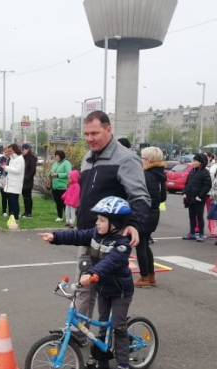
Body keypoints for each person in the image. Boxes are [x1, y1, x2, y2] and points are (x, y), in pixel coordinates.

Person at [37, 196, 135, 369]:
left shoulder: (122, 244)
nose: (97, 223)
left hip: (120, 291)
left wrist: (91, 273)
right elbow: (77, 236)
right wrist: (55, 237)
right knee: (103, 327)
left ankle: (124, 366)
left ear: (114, 224)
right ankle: (103, 360)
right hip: (103, 289)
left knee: (118, 327)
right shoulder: (95, 234)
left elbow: (110, 262)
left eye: (102, 220)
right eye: (97, 219)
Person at [74, 110, 150, 349]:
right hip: (88, 234)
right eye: (86, 134)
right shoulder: (88, 158)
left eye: (94, 133)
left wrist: (133, 225)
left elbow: (140, 197)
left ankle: (113, 339)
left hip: (112, 240)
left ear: (109, 130)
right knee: (84, 285)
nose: (89, 138)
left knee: (111, 291)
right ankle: (79, 334)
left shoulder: (125, 158)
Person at [135, 146, 167, 288]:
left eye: (142, 157)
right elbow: (163, 197)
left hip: (144, 212)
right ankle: (151, 275)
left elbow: (140, 195)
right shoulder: (160, 175)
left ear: (148, 160)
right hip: (154, 212)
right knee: (145, 244)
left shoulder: (146, 175)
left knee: (140, 245)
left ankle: (144, 277)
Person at [181, 153, 212, 242]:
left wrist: (200, 196)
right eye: (193, 161)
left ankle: (201, 234)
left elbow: (207, 186)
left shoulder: (205, 172)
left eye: (195, 161)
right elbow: (187, 183)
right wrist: (185, 193)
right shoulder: (192, 171)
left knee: (199, 216)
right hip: (190, 198)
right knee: (191, 216)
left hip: (199, 199)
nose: (193, 162)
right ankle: (192, 232)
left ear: (200, 162)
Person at [1, 143, 24, 221]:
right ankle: (12, 215)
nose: (9, 153)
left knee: (14, 201)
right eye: (8, 151)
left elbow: (17, 170)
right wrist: (6, 167)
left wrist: (6, 167)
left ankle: (16, 217)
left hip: (15, 183)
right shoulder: (12, 158)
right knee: (11, 201)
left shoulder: (20, 159)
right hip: (10, 182)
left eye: (10, 151)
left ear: (15, 150)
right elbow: (11, 168)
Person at [49, 150, 72, 222]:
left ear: (61, 156)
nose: (56, 157)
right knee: (57, 202)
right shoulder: (55, 163)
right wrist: (51, 174)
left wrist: (58, 174)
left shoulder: (66, 163)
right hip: (55, 186)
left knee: (65, 202)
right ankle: (59, 216)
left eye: (57, 156)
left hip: (62, 186)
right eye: (55, 156)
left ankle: (69, 217)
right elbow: (50, 171)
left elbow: (69, 173)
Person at [21, 143, 38, 218]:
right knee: (24, 197)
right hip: (22, 181)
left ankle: (29, 212)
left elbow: (32, 170)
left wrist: (27, 177)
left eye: (23, 150)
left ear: (27, 149)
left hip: (28, 181)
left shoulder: (32, 158)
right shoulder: (23, 157)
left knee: (28, 197)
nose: (22, 151)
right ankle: (26, 212)